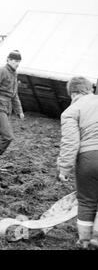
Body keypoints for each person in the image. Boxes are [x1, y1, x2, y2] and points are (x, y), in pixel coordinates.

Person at [56, 76, 98, 249]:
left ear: (73, 93)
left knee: (87, 201)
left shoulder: (71, 111)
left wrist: (64, 169)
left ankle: (85, 240)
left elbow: (71, 143)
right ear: (89, 89)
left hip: (89, 158)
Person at [0, 50, 25, 171]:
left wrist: (19, 111)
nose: (16, 63)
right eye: (14, 60)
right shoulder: (0, 71)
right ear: (8, 60)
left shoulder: (14, 74)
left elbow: (14, 94)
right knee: (7, 136)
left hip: (7, 108)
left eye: (18, 61)